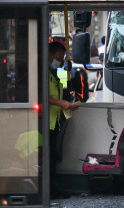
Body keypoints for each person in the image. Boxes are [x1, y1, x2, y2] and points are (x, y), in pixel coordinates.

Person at [49, 41, 78, 198]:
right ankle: (50, 191)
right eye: (59, 58)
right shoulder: (43, 73)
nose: (60, 61)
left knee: (53, 157)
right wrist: (61, 103)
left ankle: (53, 189)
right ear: (50, 55)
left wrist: (67, 105)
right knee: (49, 157)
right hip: (45, 122)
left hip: (54, 121)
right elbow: (41, 97)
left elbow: (58, 95)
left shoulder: (55, 73)